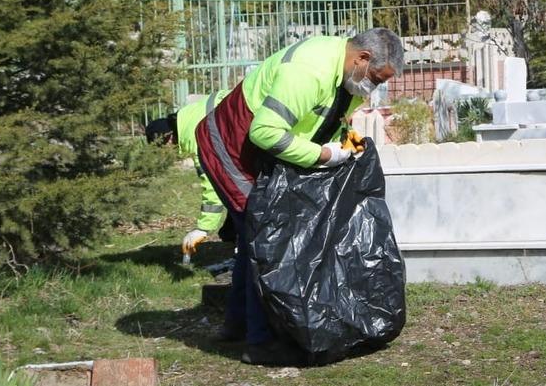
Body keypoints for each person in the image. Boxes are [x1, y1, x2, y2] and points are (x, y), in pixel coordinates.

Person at [196, 27, 404, 365]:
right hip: (232, 149)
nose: (375, 88)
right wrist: (322, 156)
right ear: (362, 59)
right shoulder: (309, 71)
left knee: (256, 239)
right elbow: (264, 132)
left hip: (264, 152)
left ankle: (236, 325)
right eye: (377, 79)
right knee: (263, 238)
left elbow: (329, 117)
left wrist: (344, 140)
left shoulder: (350, 76)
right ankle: (261, 341)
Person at [144, 92, 230, 258]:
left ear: (168, 139)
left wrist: (203, 228)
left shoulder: (197, 138)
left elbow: (212, 186)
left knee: (240, 221)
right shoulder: (191, 115)